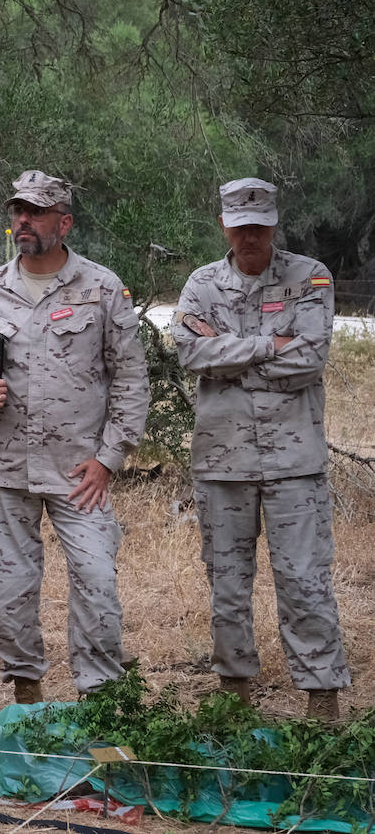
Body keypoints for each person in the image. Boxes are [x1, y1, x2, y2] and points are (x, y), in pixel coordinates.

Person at [0, 170, 148, 704]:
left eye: (35, 213)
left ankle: (101, 700)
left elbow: (130, 376)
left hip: (80, 468)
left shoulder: (102, 288)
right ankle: (27, 697)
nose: (23, 222)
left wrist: (109, 458)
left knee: (96, 580)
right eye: (18, 211)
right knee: (10, 591)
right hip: (5, 466)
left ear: (64, 222)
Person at [171, 177, 349, 720]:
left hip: (294, 463)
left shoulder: (309, 276)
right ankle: (235, 701)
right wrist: (268, 345)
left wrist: (229, 355)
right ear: (224, 224)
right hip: (223, 461)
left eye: (260, 226)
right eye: (240, 225)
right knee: (228, 586)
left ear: (274, 224)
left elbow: (309, 360)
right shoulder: (201, 284)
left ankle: (322, 704)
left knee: (304, 581)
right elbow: (189, 351)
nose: (250, 236)